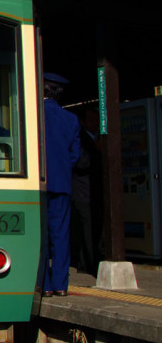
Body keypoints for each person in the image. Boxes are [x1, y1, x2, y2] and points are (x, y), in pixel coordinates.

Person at [42, 72, 83, 297]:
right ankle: (60, 285)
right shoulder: (71, 119)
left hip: (39, 184)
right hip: (62, 183)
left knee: (42, 235)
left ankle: (45, 285)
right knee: (61, 235)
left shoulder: (34, 115)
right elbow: (74, 155)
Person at [70, 107, 104, 276]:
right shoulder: (81, 138)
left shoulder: (98, 137)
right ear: (83, 122)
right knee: (88, 229)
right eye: (91, 120)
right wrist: (95, 150)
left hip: (95, 191)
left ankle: (85, 262)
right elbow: (80, 163)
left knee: (94, 228)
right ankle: (92, 264)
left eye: (97, 120)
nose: (95, 123)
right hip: (83, 192)